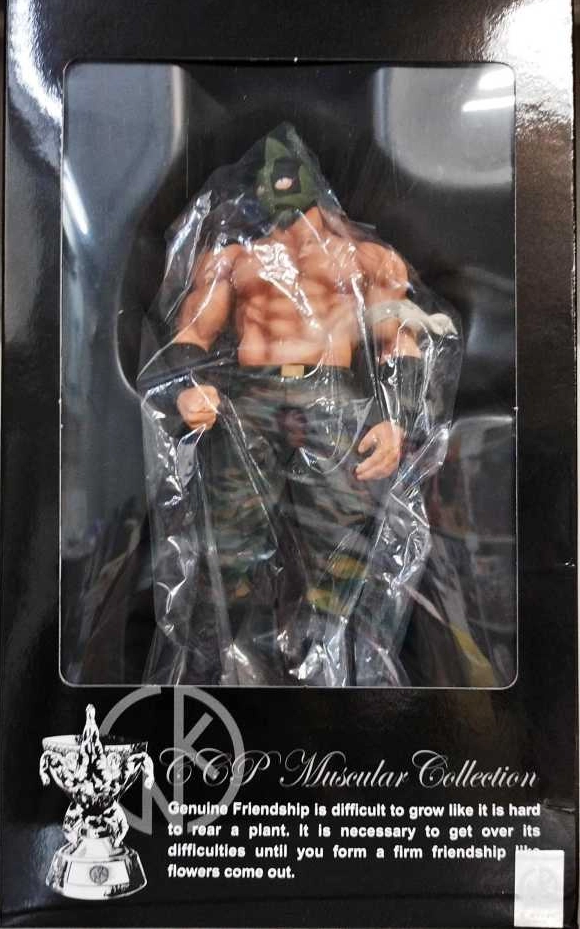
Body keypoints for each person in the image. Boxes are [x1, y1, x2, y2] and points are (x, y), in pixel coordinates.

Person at [138, 124, 460, 686]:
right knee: (227, 547)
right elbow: (192, 334)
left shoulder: (367, 259)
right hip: (249, 397)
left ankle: (335, 678)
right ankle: (215, 676)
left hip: (333, 398)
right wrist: (188, 386)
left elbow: (401, 340)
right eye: (274, 184)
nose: (285, 195)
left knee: (341, 546)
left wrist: (398, 419)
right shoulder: (233, 258)